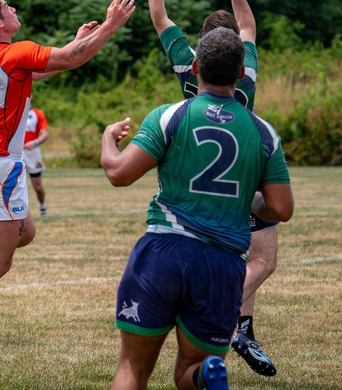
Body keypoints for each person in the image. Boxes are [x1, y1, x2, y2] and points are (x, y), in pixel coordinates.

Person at [0, 0, 136, 373]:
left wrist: (75, 42)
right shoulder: (15, 51)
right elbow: (74, 59)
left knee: (26, 231)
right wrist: (111, 25)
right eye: (7, 6)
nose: (14, 8)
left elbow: (38, 68)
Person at [100, 27, 295, 390]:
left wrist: (107, 142)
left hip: (164, 251)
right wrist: (242, 200)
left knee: (132, 369)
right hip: (222, 265)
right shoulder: (264, 132)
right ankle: (204, 376)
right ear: (240, 74)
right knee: (191, 370)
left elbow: (119, 174)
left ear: (194, 68)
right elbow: (281, 208)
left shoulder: (169, 116)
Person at [143, 0, 281, 376]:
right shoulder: (246, 73)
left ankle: (242, 325)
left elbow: (160, 16)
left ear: (200, 52)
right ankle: (228, 316)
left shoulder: (188, 67)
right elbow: (249, 26)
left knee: (225, 257)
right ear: (236, 57)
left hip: (190, 177)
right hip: (244, 179)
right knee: (259, 260)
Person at [22, 105, 50, 217]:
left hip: (32, 153)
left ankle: (42, 206)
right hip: (16, 152)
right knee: (16, 185)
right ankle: (19, 211)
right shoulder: (12, 110)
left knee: (37, 186)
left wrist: (34, 143)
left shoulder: (38, 113)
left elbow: (45, 134)